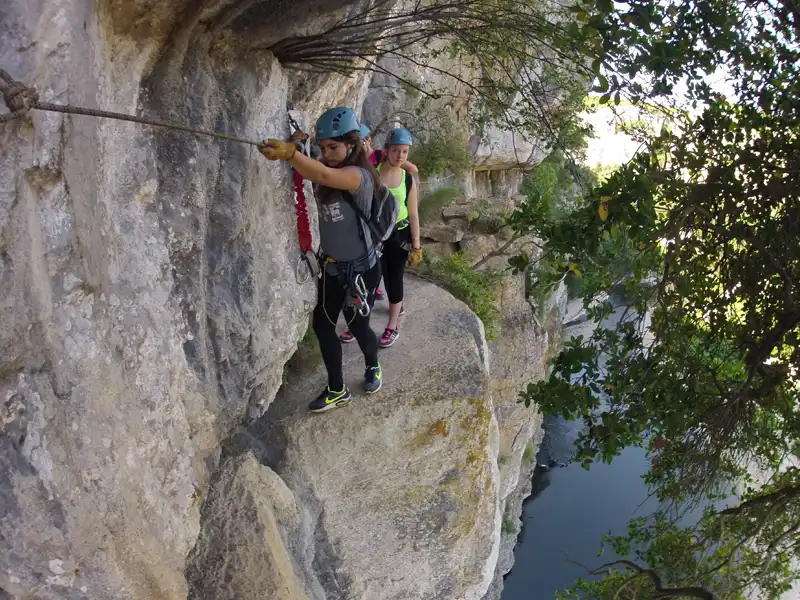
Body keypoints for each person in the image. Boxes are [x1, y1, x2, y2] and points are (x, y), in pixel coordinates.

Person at [259, 106, 383, 412]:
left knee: (358, 327)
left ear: (352, 145)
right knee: (324, 326)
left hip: (360, 271)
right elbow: (317, 168)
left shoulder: (359, 176)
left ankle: (372, 365)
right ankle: (337, 388)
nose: (327, 153)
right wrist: (300, 144)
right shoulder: (330, 167)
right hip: (332, 267)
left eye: (333, 147)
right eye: (323, 147)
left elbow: (323, 173)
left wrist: (291, 154)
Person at [340, 127, 422, 347]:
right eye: (396, 151)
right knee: (367, 279)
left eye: (404, 152)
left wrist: (416, 245)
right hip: (375, 233)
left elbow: (413, 214)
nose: (400, 156)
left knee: (394, 279)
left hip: (399, 234)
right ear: (386, 150)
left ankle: (392, 326)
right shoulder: (372, 172)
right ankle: (357, 324)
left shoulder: (407, 180)